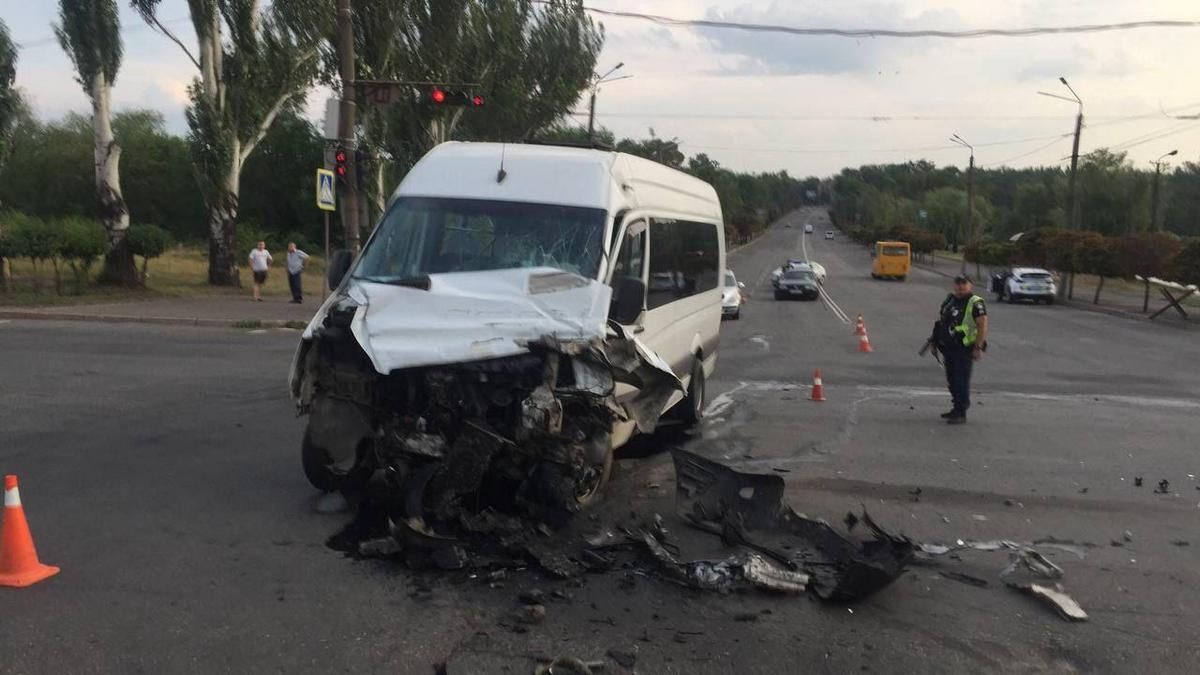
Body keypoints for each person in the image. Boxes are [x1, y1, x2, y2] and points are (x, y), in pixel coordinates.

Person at [936, 274, 988, 424]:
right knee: (951, 379)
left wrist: (978, 347)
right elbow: (943, 321)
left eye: (964, 283)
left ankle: (961, 411)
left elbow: (982, 325)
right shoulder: (951, 300)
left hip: (964, 348)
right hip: (949, 347)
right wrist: (936, 340)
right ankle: (955, 407)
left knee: (961, 380)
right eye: (958, 283)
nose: (960, 286)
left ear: (970, 285)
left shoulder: (975, 302)